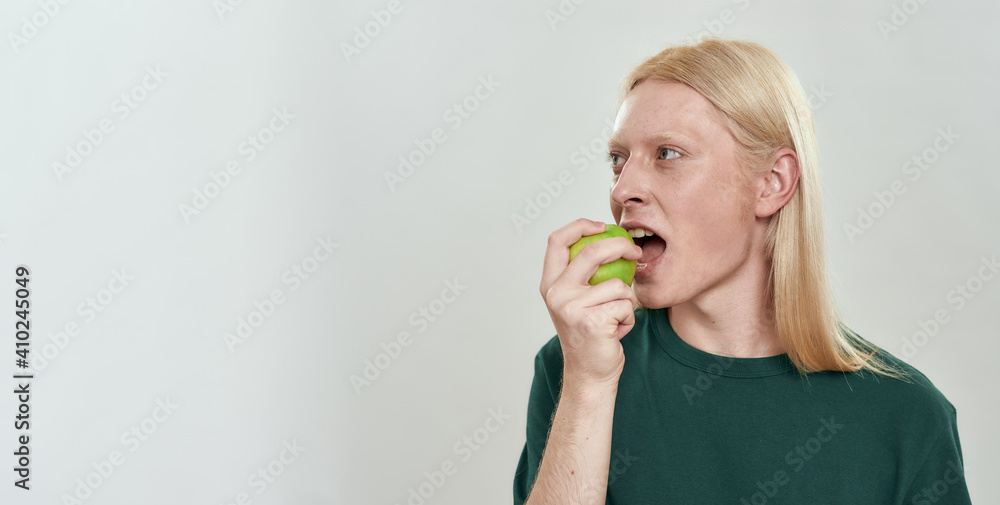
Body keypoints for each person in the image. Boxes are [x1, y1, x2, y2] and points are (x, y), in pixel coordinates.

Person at [513, 38, 972, 504]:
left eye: (667, 153)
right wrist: (589, 386)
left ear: (772, 183)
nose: (624, 188)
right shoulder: (577, 364)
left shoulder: (906, 415)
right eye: (618, 159)